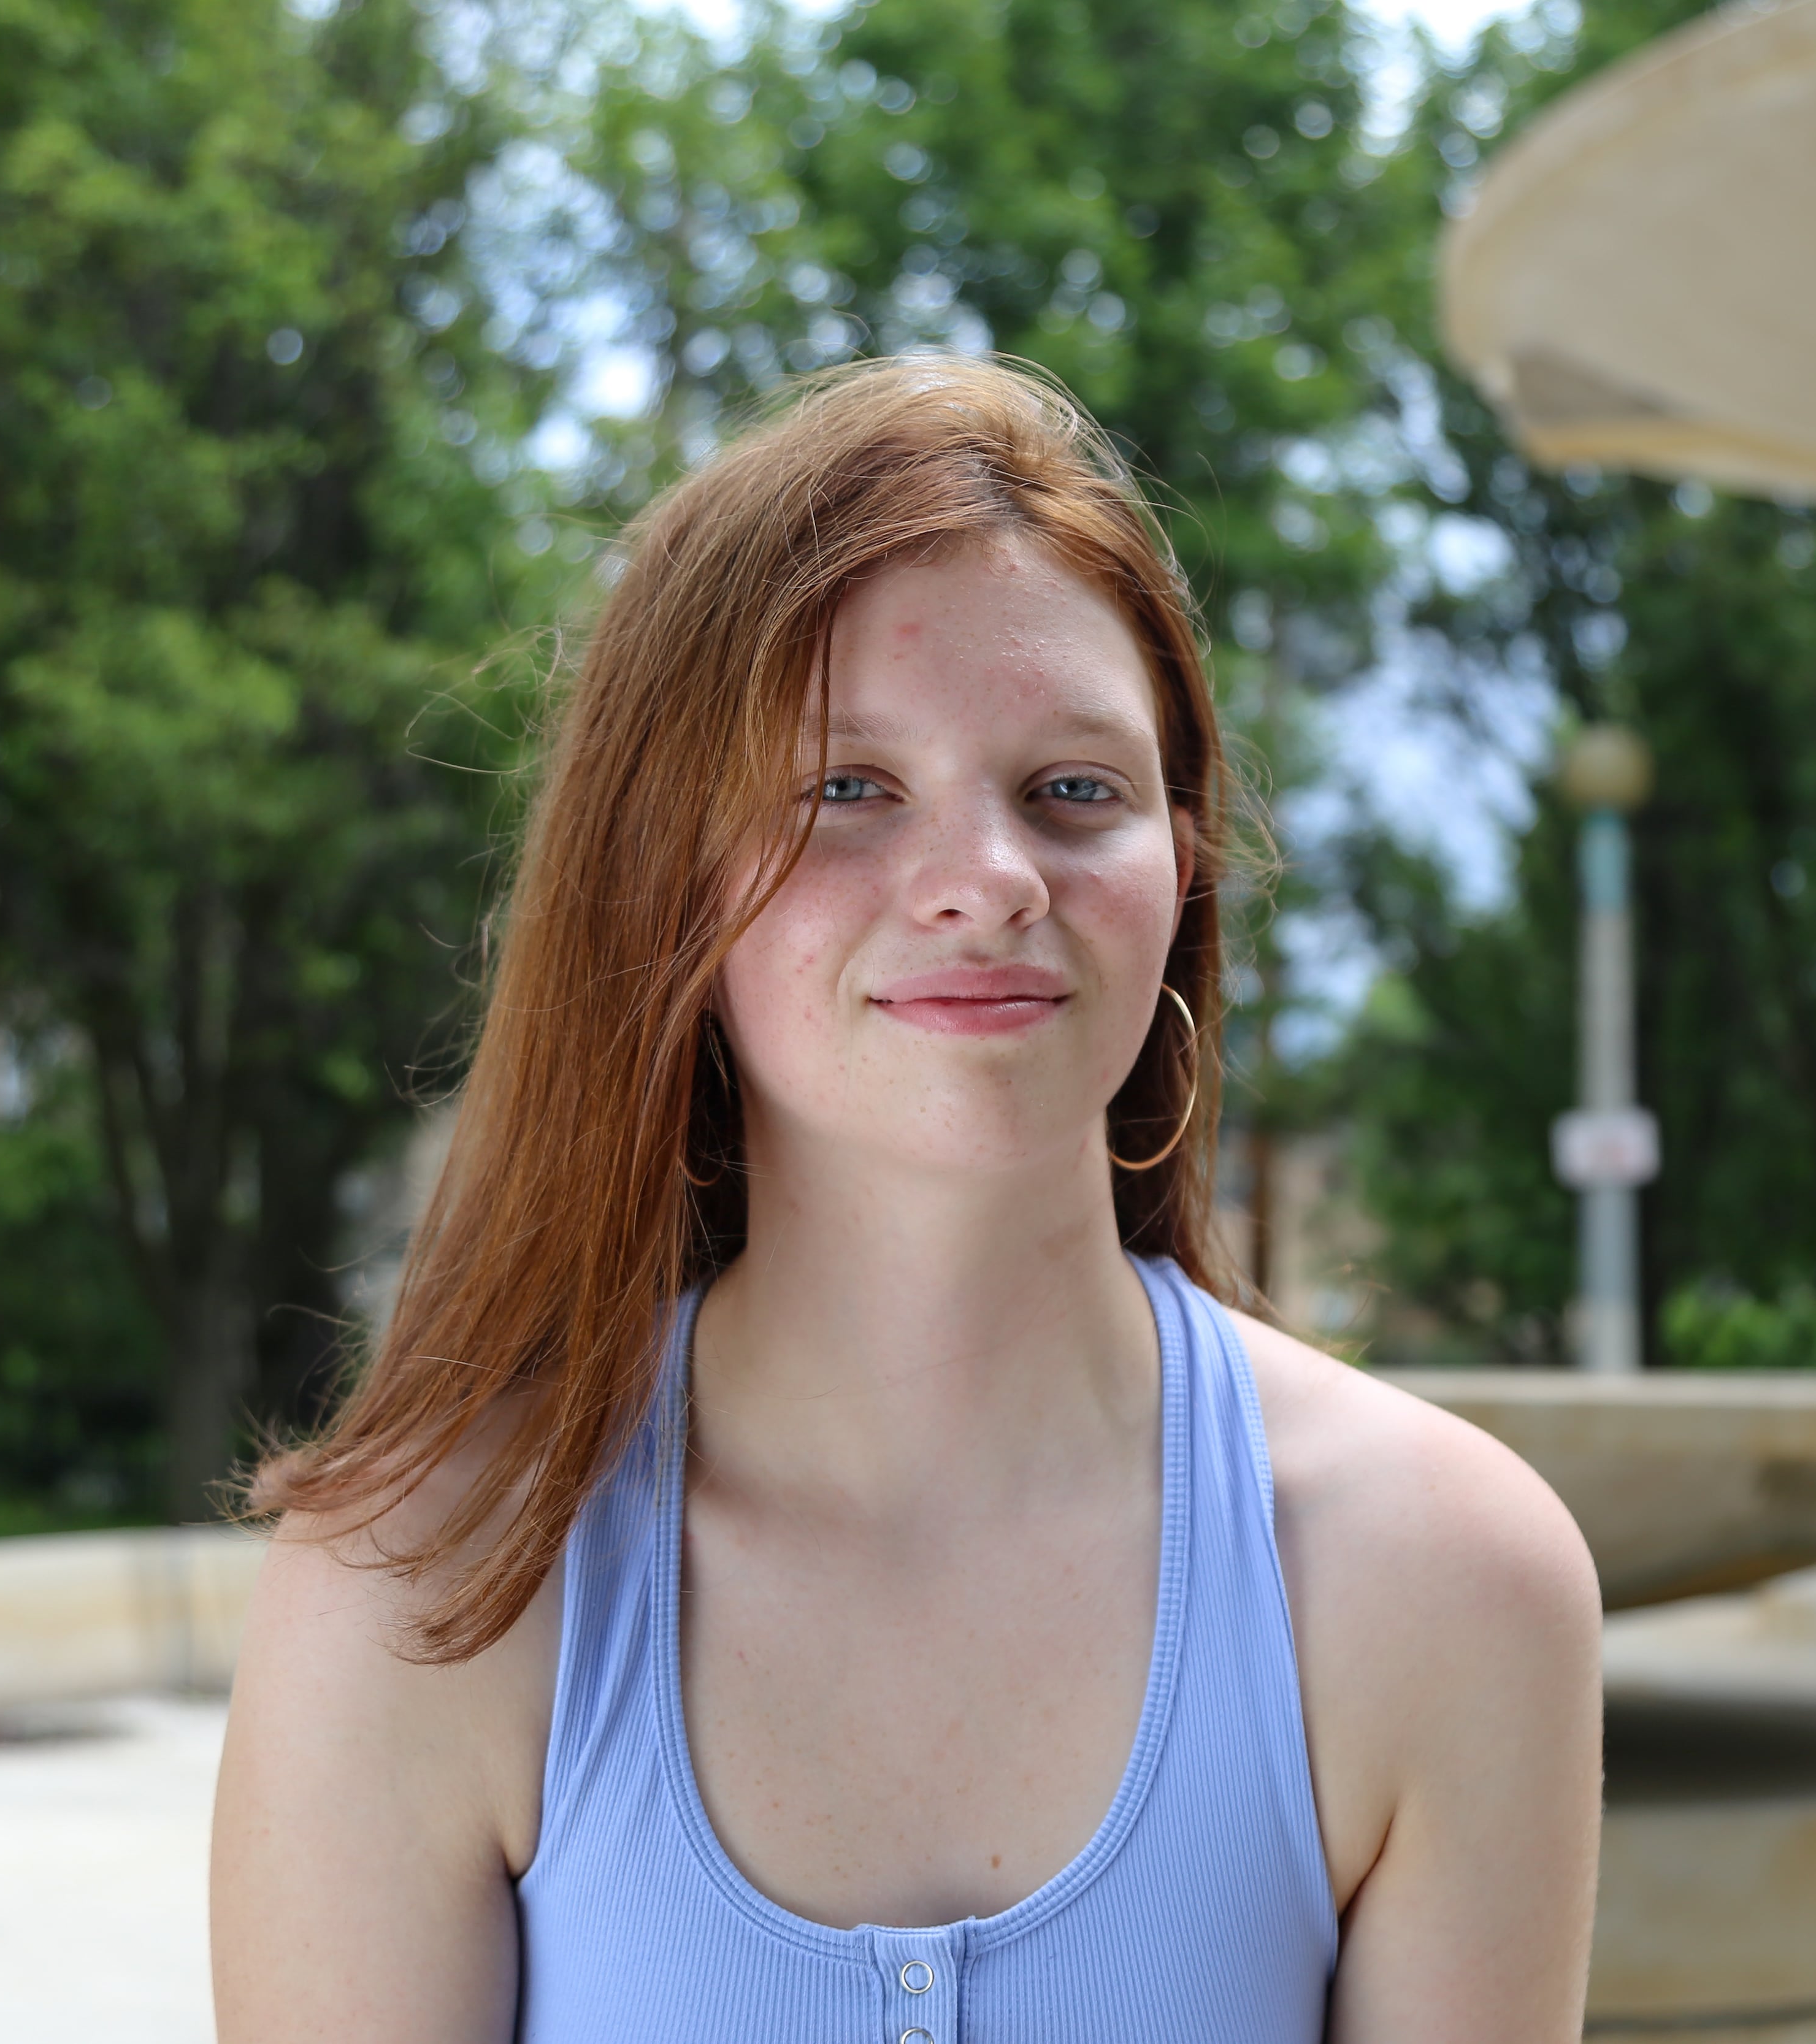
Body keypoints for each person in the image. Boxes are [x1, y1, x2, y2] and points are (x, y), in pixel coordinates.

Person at [211, 354, 1603, 2043]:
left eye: (1074, 790)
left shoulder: (1448, 1584)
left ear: (1182, 862)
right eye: (847, 790)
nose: (988, 883)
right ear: (666, 880)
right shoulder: (422, 1591)